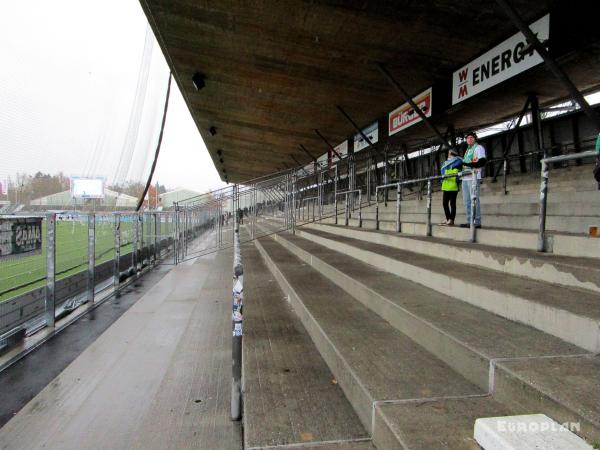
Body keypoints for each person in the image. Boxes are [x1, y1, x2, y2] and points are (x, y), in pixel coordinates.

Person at [460, 131, 487, 228]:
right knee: (466, 201)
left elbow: (482, 162)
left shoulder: (478, 147)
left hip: (474, 177)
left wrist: (468, 164)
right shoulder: (467, 150)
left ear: (475, 138)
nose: (469, 139)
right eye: (467, 138)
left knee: (474, 200)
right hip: (465, 177)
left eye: (471, 137)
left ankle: (477, 221)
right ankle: (469, 221)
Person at [440, 148, 462, 226]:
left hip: (453, 184)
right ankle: (448, 219)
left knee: (452, 203)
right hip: (446, 184)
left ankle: (451, 219)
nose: (448, 154)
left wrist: (447, 172)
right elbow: (442, 172)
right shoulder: (446, 162)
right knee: (444, 203)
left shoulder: (458, 161)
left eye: (449, 152)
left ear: (452, 153)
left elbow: (457, 171)